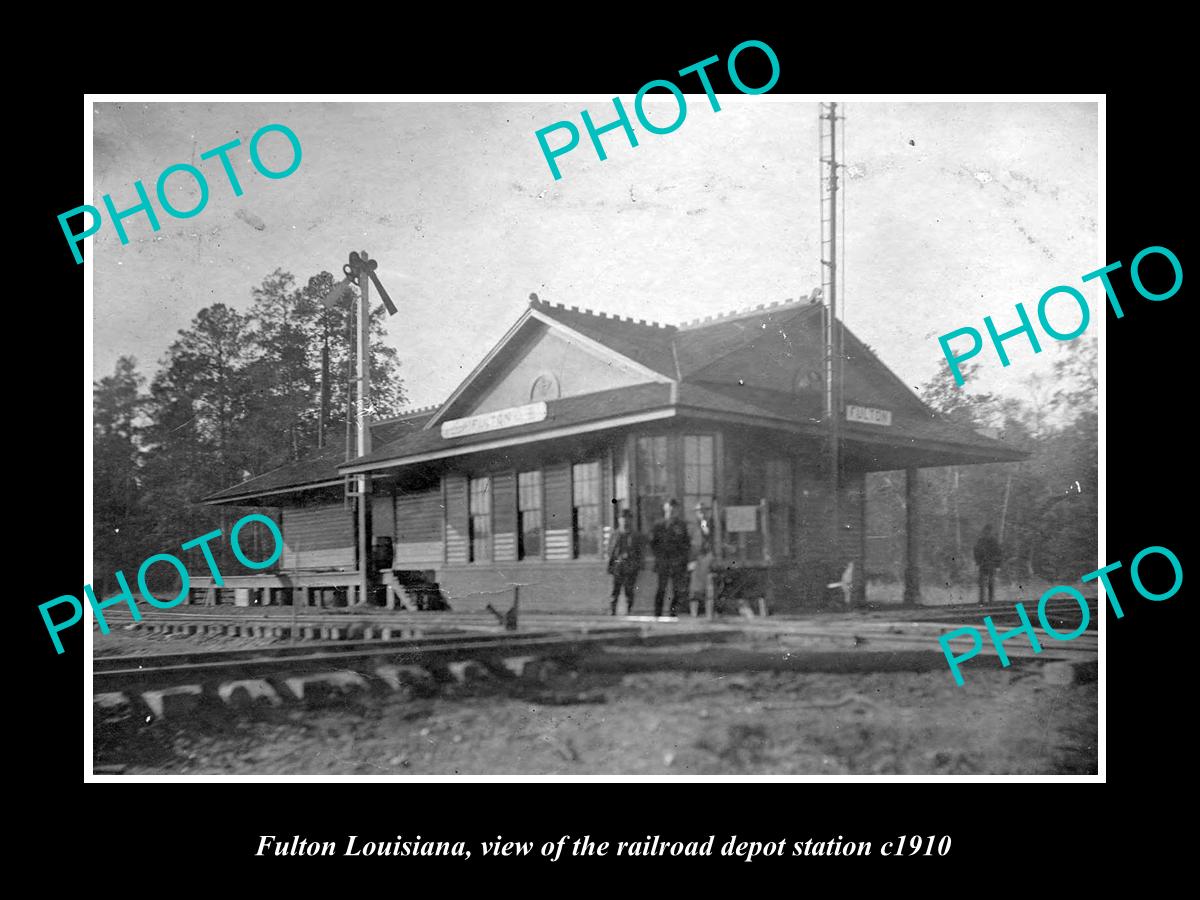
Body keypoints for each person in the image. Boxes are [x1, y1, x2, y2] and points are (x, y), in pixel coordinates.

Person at [651, 499, 691, 617]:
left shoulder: (681, 525)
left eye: (674, 510)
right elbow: (653, 544)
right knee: (661, 589)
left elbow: (686, 544)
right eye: (669, 509)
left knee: (676, 590)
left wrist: (682, 558)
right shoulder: (658, 525)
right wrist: (659, 556)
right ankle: (657, 614)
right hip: (663, 562)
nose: (671, 512)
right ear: (665, 509)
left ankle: (673, 613)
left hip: (677, 562)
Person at [607, 509, 644, 615]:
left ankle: (629, 609)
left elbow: (639, 552)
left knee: (629, 590)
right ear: (619, 520)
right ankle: (612, 610)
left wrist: (635, 562)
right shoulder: (615, 535)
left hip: (630, 566)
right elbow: (610, 550)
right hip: (617, 566)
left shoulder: (635, 535)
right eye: (622, 519)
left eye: (627, 519)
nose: (625, 521)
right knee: (615, 590)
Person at [689, 502, 715, 615]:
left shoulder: (709, 524)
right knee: (695, 586)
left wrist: (704, 524)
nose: (702, 514)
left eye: (704, 511)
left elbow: (708, 533)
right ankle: (694, 612)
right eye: (700, 512)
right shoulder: (692, 526)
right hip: (695, 558)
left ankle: (708, 611)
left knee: (707, 585)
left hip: (707, 556)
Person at [973, 524, 1003, 606]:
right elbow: (976, 551)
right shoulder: (987, 541)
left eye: (988, 531)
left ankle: (986, 601)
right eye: (986, 531)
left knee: (987, 583)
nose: (987, 533)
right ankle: (986, 601)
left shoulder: (988, 541)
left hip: (988, 564)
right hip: (987, 564)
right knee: (986, 583)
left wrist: (998, 565)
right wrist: (978, 562)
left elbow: (999, 553)